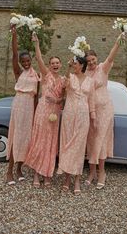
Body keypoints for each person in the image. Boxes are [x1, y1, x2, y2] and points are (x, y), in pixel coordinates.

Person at [85, 33, 126, 189]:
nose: (91, 63)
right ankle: (92, 172)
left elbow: (111, 56)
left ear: (96, 58)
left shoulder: (103, 68)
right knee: (91, 141)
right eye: (88, 61)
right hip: (91, 111)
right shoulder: (85, 73)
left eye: (93, 59)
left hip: (105, 110)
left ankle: (102, 172)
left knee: (100, 141)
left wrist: (118, 41)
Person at [25, 33, 65, 187]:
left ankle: (47, 174)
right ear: (49, 65)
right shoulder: (46, 75)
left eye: (57, 63)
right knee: (40, 141)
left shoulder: (63, 80)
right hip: (42, 112)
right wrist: (36, 43)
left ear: (60, 65)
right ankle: (36, 173)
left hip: (54, 113)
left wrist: (57, 100)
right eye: (53, 63)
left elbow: (64, 98)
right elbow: (39, 58)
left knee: (50, 143)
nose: (55, 65)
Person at [57, 56, 96, 195]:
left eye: (76, 63)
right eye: (73, 63)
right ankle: (67, 179)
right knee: (67, 145)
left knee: (79, 148)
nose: (74, 65)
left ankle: (77, 179)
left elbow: (91, 100)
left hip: (83, 117)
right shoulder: (71, 77)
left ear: (82, 65)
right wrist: (67, 68)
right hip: (69, 115)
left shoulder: (90, 81)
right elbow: (63, 85)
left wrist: (94, 117)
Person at [6, 26, 39, 185]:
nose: (26, 63)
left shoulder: (36, 75)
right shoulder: (18, 72)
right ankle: (9, 172)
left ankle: (19, 169)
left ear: (31, 61)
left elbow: (36, 97)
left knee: (25, 139)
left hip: (30, 108)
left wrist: (36, 115)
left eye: (28, 61)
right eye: (23, 61)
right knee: (16, 137)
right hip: (19, 105)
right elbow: (14, 53)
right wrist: (14, 35)